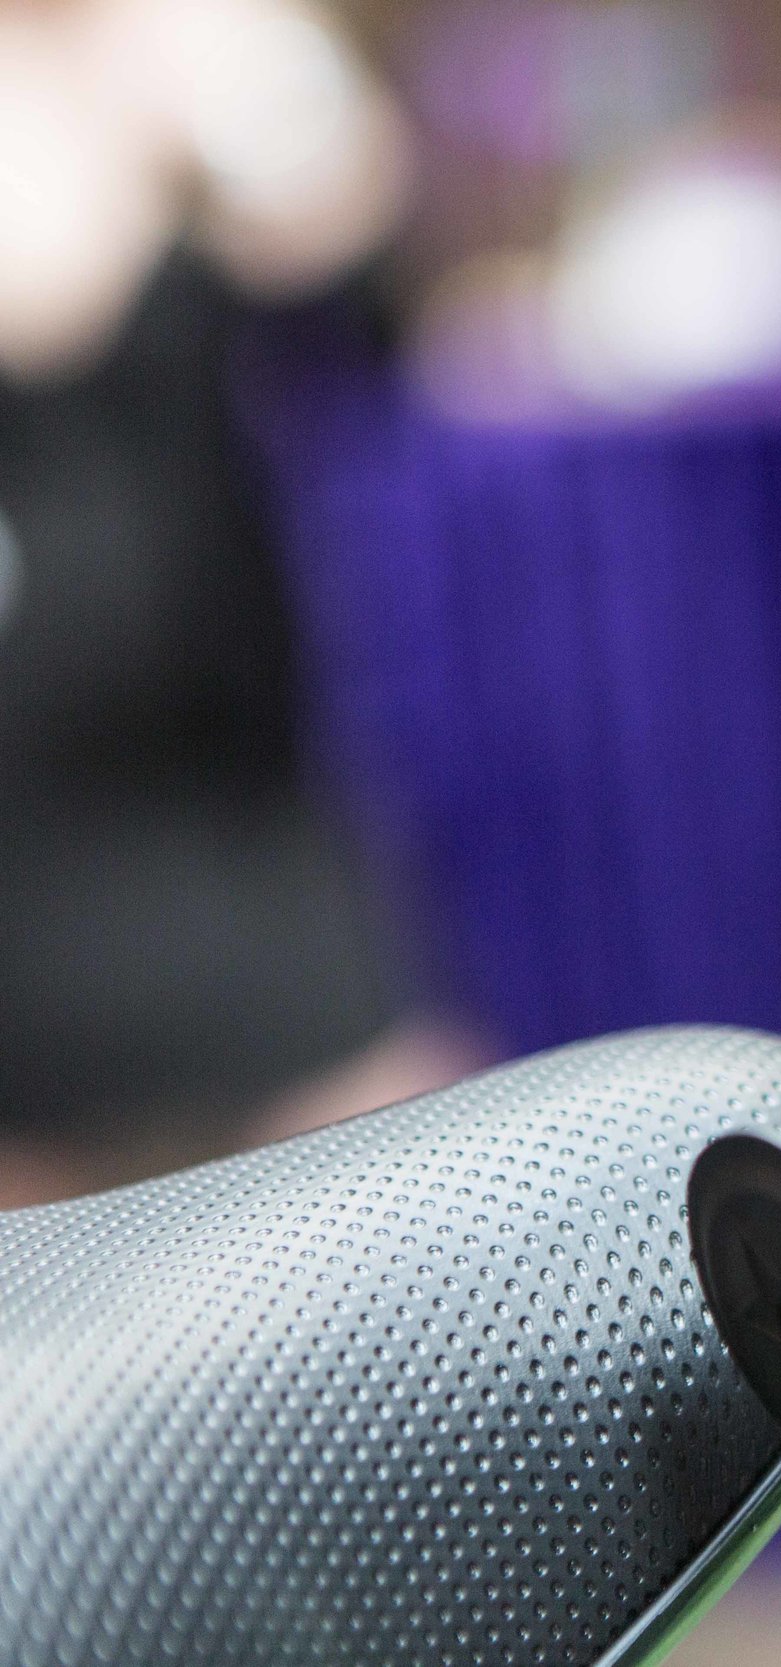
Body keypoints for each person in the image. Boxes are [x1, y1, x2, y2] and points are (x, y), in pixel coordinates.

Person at [0, 0, 458, 1204]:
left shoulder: (205, 34)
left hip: (228, 764)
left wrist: (280, 148)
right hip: (23, 804)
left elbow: (365, 300)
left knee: (408, 1192)